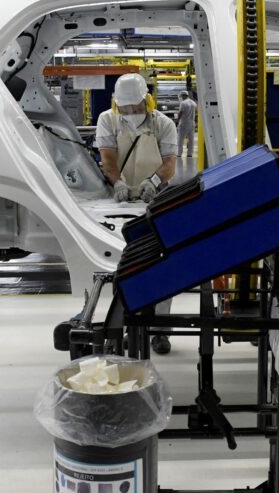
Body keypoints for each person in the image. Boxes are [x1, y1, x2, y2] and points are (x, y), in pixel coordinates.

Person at [96, 73, 177, 354]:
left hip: (154, 199)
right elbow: (108, 159)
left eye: (136, 107)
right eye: (125, 108)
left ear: (147, 101)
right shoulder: (107, 120)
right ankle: (129, 326)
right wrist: (118, 184)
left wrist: (152, 182)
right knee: (126, 266)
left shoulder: (163, 124)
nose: (131, 112)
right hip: (119, 203)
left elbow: (169, 163)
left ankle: (160, 331)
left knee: (162, 264)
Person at [176, 90, 197, 158]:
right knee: (191, 140)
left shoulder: (183, 103)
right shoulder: (193, 103)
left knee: (180, 139)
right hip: (192, 123)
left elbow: (180, 113)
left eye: (181, 96)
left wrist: (177, 120)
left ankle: (179, 153)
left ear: (183, 96)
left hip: (184, 123)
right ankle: (189, 154)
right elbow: (195, 112)